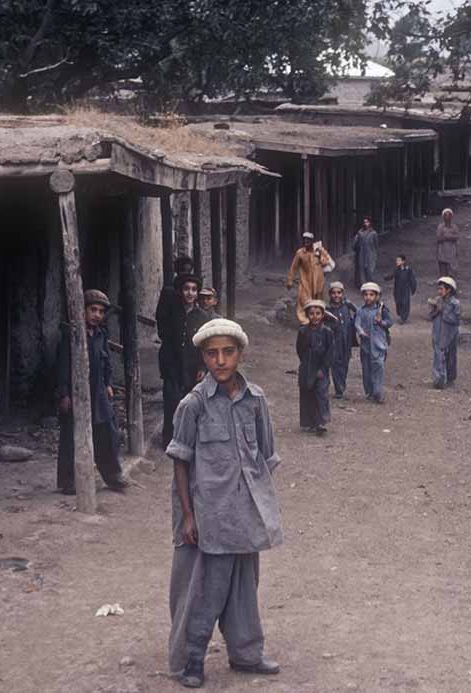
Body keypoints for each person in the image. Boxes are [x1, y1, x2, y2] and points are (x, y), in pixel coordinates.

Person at [167, 318, 282, 688]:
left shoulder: (256, 401)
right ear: (203, 357)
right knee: (204, 591)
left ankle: (247, 654)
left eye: (228, 352)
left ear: (240, 354)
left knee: (245, 587)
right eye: (212, 353)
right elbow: (180, 462)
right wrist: (188, 516)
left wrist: (258, 506)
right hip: (209, 517)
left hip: (245, 515)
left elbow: (266, 458)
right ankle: (192, 660)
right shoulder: (193, 405)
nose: (220, 361)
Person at [57, 289, 127, 494]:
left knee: (106, 432)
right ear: (83, 311)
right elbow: (62, 366)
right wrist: (64, 394)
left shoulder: (101, 335)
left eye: (101, 311)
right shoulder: (71, 335)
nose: (97, 315)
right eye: (93, 310)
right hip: (77, 391)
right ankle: (69, 480)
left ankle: (112, 475)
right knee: (72, 435)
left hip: (98, 391)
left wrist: (108, 383)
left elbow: (106, 362)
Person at [157, 256, 197, 447]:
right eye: (182, 271)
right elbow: (162, 321)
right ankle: (169, 438)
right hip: (171, 356)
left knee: (189, 400)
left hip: (188, 360)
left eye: (188, 270)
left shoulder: (196, 310)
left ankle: (186, 438)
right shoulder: (169, 294)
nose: (189, 292)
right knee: (171, 399)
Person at [296, 300, 334, 434]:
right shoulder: (302, 331)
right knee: (307, 393)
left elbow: (330, 352)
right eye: (311, 313)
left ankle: (321, 423)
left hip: (321, 368)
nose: (315, 316)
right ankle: (309, 422)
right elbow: (299, 349)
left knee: (321, 394)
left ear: (323, 315)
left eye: (318, 313)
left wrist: (323, 368)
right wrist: (306, 363)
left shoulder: (327, 332)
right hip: (307, 368)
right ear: (307, 315)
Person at [355, 282, 393, 404]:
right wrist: (361, 332)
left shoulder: (382, 309)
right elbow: (357, 323)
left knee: (378, 367)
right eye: (366, 295)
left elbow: (389, 322)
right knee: (366, 370)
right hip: (365, 345)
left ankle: (378, 393)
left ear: (377, 296)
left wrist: (381, 322)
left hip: (378, 344)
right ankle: (369, 392)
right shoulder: (361, 311)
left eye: (371, 295)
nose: (368, 297)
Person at [286, 232, 334, 324]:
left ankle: (318, 320)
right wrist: (290, 280)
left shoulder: (318, 251)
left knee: (318, 301)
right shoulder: (300, 253)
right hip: (305, 281)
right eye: (304, 239)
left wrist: (321, 253)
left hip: (318, 281)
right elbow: (293, 267)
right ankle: (305, 321)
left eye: (308, 240)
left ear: (312, 241)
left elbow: (325, 263)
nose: (306, 241)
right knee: (304, 300)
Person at [326, 281, 357, 399]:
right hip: (334, 341)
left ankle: (341, 385)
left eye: (339, 293)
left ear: (342, 293)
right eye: (333, 293)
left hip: (347, 339)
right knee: (335, 364)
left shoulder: (347, 306)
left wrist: (352, 306)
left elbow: (359, 313)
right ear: (330, 294)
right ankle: (339, 390)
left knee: (345, 363)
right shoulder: (327, 309)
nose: (336, 295)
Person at [429, 277, 461, 389]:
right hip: (438, 333)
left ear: (448, 290)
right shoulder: (438, 300)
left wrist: (443, 311)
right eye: (438, 289)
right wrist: (435, 310)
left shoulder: (455, 304)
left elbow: (455, 320)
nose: (439, 291)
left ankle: (450, 378)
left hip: (450, 334)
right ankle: (439, 380)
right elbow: (431, 316)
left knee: (451, 356)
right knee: (438, 356)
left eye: (441, 289)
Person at [384, 254, 418, 323]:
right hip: (397, 290)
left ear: (403, 261)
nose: (397, 262)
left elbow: (412, 280)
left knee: (405, 304)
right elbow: (391, 275)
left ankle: (403, 318)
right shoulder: (397, 269)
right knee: (398, 302)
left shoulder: (408, 270)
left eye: (399, 260)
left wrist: (413, 288)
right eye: (397, 260)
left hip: (405, 290)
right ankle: (400, 314)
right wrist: (386, 277)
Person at [352, 217, 379, 288]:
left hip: (370, 255)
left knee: (370, 271)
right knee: (361, 271)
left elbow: (376, 245)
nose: (365, 224)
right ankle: (364, 286)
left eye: (367, 222)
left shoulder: (373, 233)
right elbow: (354, 244)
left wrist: (375, 254)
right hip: (361, 254)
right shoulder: (359, 233)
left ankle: (370, 286)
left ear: (370, 223)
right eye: (364, 222)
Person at [435, 208, 461, 278]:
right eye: (445, 215)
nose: (447, 217)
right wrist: (447, 237)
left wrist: (448, 236)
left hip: (452, 252)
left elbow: (457, 237)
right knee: (443, 272)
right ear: (443, 217)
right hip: (442, 252)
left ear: (451, 217)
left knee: (452, 272)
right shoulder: (440, 227)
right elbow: (438, 238)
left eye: (449, 215)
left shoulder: (454, 227)